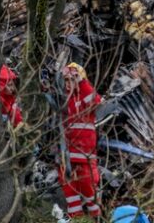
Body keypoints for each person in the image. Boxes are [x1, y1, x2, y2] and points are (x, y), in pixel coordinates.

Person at [58, 62, 102, 218]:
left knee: (88, 187)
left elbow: (96, 101)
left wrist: (81, 82)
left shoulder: (84, 95)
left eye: (73, 79)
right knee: (69, 189)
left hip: (85, 152)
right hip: (67, 154)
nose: (69, 83)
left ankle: (97, 217)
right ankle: (75, 218)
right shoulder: (63, 99)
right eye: (66, 80)